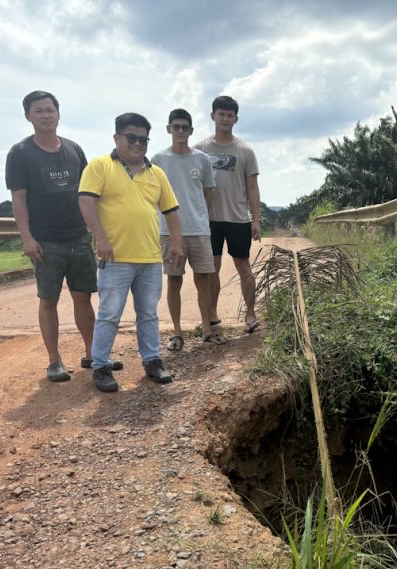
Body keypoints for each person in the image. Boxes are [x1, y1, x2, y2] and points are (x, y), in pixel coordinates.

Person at [6, 90, 114, 383]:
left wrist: (95, 232)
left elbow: (88, 193)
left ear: (58, 113)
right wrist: (27, 237)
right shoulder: (20, 153)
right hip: (45, 240)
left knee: (83, 296)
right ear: (28, 116)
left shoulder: (74, 149)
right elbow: (19, 198)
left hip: (78, 236)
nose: (45, 115)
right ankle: (54, 361)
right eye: (38, 111)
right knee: (48, 299)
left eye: (50, 109)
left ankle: (93, 354)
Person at [78, 113, 184, 393]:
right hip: (114, 257)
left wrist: (176, 242)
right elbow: (86, 202)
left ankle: (151, 361)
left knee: (148, 313)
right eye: (132, 137)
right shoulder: (100, 167)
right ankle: (100, 365)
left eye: (143, 139)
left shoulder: (156, 173)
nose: (138, 143)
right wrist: (100, 237)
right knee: (109, 313)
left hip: (149, 257)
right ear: (117, 138)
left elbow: (171, 210)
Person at [150, 108, 224, 350]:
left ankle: (206, 328)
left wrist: (198, 216)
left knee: (204, 279)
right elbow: (152, 195)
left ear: (191, 131)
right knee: (174, 281)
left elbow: (207, 194)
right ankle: (177, 332)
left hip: (199, 230)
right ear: (169, 129)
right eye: (176, 126)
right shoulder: (158, 160)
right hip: (170, 232)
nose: (180, 131)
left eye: (185, 127)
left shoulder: (201, 159)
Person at [196, 95, 262, 333]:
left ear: (236, 119)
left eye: (230, 115)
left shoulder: (245, 150)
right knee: (211, 269)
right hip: (209, 220)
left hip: (238, 218)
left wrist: (256, 219)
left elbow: (252, 187)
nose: (225, 118)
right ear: (213, 116)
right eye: (221, 114)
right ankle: (211, 316)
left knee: (244, 267)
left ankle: (251, 314)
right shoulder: (200, 149)